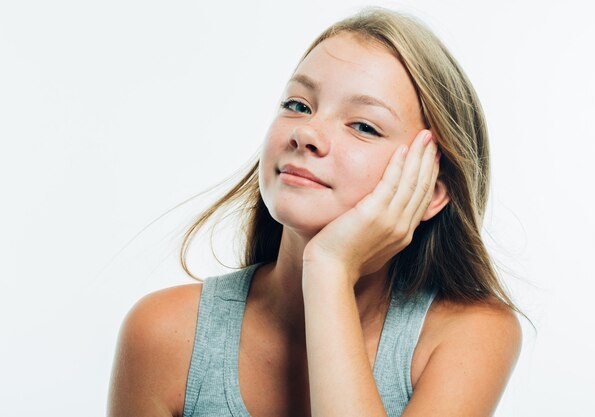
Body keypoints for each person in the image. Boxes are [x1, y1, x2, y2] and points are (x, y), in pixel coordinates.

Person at [107, 6, 524, 417]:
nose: (306, 133)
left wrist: (329, 269)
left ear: (430, 191)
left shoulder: (469, 335)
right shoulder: (164, 335)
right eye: (298, 105)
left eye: (363, 126)